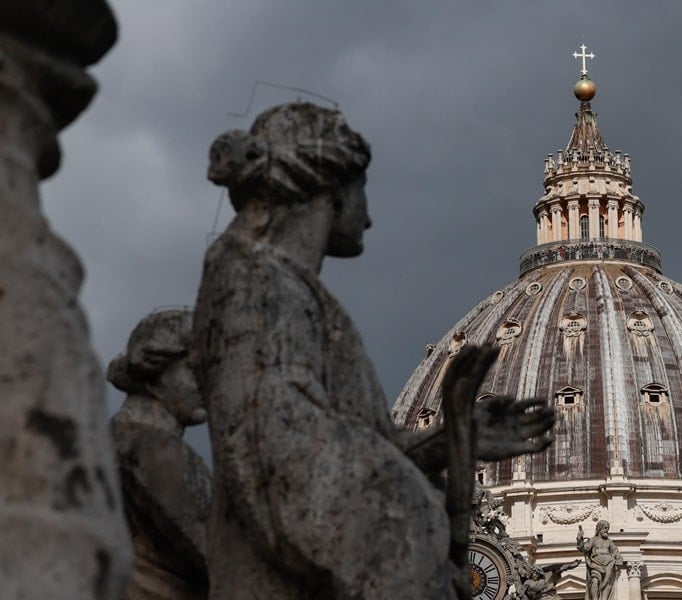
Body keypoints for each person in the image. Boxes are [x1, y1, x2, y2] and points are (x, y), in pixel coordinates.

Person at [192, 102, 555, 599]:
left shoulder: (292, 289)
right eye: (362, 190)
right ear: (326, 188)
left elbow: (344, 439)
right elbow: (284, 453)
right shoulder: (254, 281)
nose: (369, 214)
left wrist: (456, 435)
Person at [108, 308, 211, 599]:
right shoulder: (152, 448)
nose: (207, 384)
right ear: (153, 373)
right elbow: (214, 555)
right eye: (195, 370)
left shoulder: (114, 439)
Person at [577, 520, 623, 600]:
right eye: (605, 528)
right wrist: (579, 539)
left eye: (608, 529)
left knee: (605, 585)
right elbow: (585, 548)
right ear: (599, 529)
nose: (607, 530)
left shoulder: (609, 542)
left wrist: (619, 560)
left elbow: (616, 552)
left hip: (608, 565)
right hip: (595, 565)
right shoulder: (593, 540)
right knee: (594, 581)